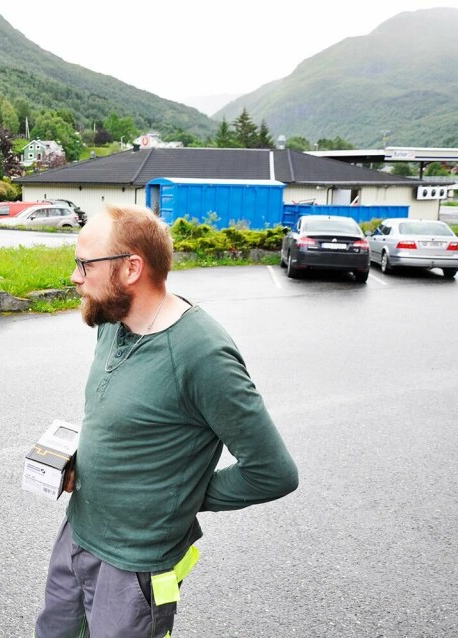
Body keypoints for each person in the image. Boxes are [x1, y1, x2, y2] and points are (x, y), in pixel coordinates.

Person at [35, 205, 299, 638]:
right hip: (77, 533)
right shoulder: (112, 322)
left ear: (131, 268)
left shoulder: (202, 353)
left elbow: (272, 473)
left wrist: (177, 496)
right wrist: (83, 462)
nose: (75, 277)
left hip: (134, 567)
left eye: (85, 264)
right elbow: (131, 422)